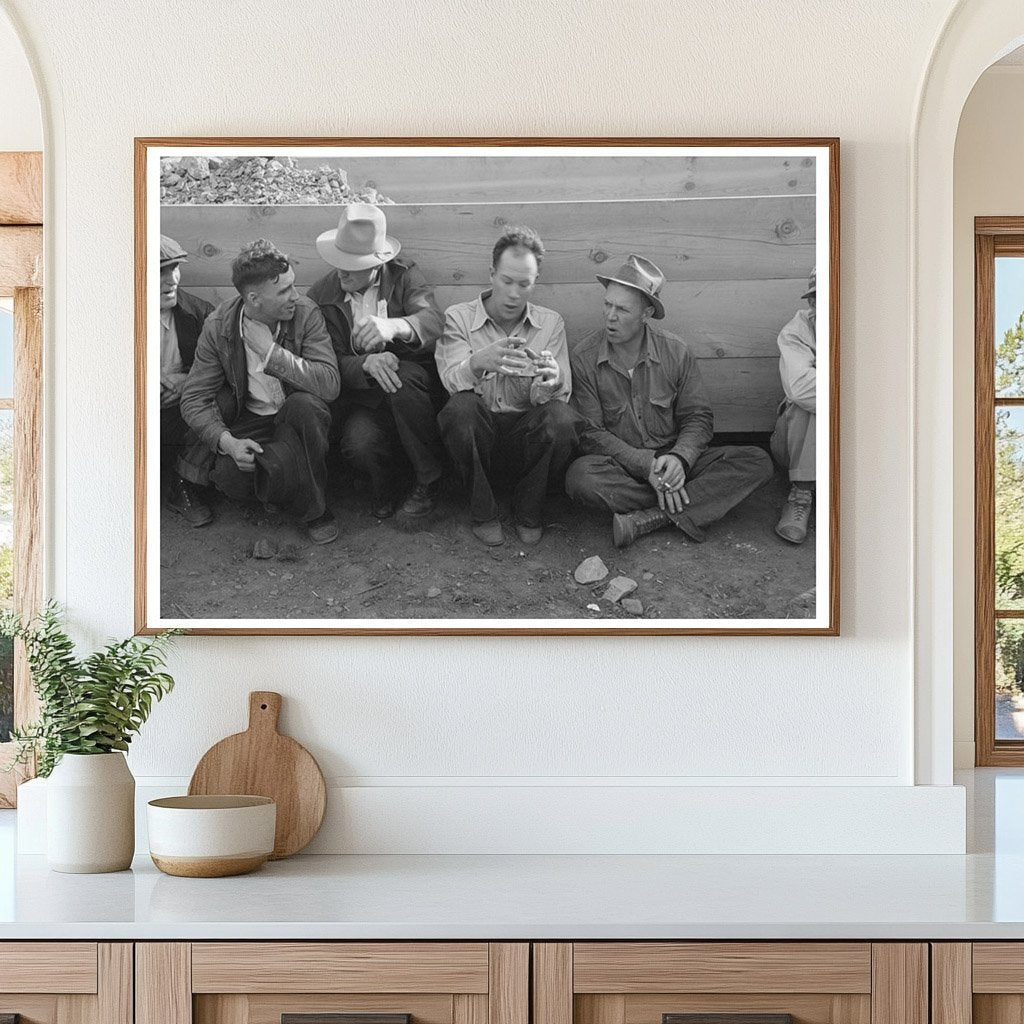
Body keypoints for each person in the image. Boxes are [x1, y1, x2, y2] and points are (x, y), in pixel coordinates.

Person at [566, 254, 773, 548]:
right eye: (607, 304)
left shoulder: (676, 351)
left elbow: (698, 417)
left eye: (622, 309)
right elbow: (590, 433)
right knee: (580, 478)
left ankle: (648, 518)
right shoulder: (584, 356)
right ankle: (692, 503)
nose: (610, 316)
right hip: (622, 466)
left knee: (758, 461)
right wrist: (646, 466)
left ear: (646, 313)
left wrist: (679, 458)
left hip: (676, 462)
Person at [178, 239, 341, 544]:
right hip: (251, 419)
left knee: (307, 406)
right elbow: (194, 398)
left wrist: (271, 354)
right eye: (284, 291)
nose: (295, 296)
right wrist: (227, 443)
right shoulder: (219, 327)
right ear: (254, 299)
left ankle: (315, 510)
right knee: (230, 478)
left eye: (293, 285)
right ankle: (283, 482)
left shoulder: (306, 312)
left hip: (298, 418)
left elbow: (330, 384)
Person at [434, 225, 579, 546]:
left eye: (524, 284)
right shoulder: (458, 317)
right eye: (507, 281)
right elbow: (449, 379)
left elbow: (559, 397)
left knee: (563, 418)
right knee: (460, 409)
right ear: (491, 274)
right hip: (477, 443)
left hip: (524, 443)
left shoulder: (551, 323)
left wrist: (552, 380)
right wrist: (477, 362)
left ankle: (529, 510)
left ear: (535, 281)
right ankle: (483, 512)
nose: (514, 293)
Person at [307, 204, 445, 519]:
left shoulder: (403, 274)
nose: (341, 271)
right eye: (338, 260)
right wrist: (364, 364)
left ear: (377, 263)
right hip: (361, 395)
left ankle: (429, 480)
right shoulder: (320, 296)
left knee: (400, 376)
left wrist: (396, 326)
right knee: (360, 443)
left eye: (352, 265)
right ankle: (385, 488)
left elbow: (434, 320)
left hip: (411, 388)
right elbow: (324, 361)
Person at [159, 234, 214, 527]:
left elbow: (226, 367)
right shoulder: (112, 316)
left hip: (181, 415)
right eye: (160, 272)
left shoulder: (201, 314)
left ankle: (185, 486)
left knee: (221, 399)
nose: (171, 281)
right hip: (130, 418)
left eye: (175, 269)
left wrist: (186, 382)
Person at [771, 270, 817, 544]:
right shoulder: (795, 331)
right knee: (808, 404)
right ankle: (801, 495)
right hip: (796, 444)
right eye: (821, 300)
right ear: (812, 304)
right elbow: (801, 389)